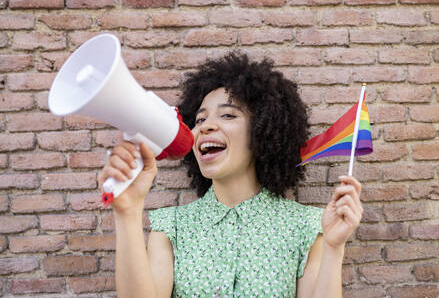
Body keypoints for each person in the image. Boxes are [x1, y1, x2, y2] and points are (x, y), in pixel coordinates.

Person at [98, 52, 363, 298]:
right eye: (200, 120)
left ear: (261, 131)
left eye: (227, 115)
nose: (206, 127)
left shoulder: (305, 226)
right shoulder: (172, 226)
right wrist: (128, 213)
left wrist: (333, 248)